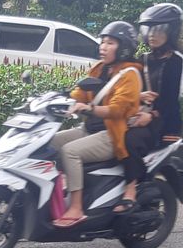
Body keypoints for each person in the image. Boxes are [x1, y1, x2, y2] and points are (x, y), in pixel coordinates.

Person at [50, 21, 142, 228]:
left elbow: (117, 109)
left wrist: (89, 108)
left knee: (69, 151)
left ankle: (76, 207)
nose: (103, 46)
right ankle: (58, 193)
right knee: (48, 143)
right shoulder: (99, 68)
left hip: (111, 135)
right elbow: (79, 92)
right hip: (88, 129)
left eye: (110, 42)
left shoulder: (130, 75)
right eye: (102, 42)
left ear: (124, 47)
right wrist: (61, 99)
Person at [118, 3, 183, 214]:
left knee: (129, 139)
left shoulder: (177, 62)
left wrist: (151, 116)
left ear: (172, 31)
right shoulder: (144, 60)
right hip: (141, 115)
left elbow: (171, 98)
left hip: (164, 123)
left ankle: (130, 189)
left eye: (159, 29)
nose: (152, 35)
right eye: (149, 30)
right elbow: (132, 88)